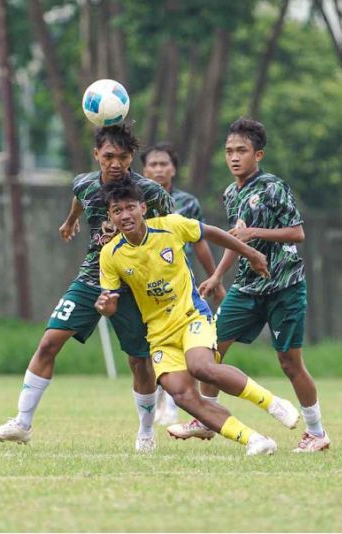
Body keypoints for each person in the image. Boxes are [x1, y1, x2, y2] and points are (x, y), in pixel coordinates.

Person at [0, 123, 174, 453]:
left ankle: (146, 431)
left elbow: (173, 231)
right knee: (48, 343)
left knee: (139, 361)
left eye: (123, 157)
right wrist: (70, 221)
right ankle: (22, 422)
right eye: (108, 156)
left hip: (134, 284)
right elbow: (79, 198)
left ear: (132, 158)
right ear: (96, 154)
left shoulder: (151, 193)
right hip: (92, 277)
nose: (115, 164)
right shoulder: (85, 184)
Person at [95, 175, 301, 456]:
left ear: (143, 208)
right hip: (158, 334)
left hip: (191, 316)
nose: (125, 215)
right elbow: (111, 301)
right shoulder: (110, 254)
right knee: (181, 395)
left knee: (202, 367)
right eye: (117, 211)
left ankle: (273, 404)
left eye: (130, 207)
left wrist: (250, 253)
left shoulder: (170, 226)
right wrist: (106, 307)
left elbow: (211, 233)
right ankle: (254, 440)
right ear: (110, 216)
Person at [168, 118, 330, 453]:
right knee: (210, 349)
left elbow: (297, 233)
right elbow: (235, 240)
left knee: (289, 362)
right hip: (246, 288)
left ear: (259, 154)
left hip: (284, 285)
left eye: (241, 150)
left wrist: (255, 235)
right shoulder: (231, 193)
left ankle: (316, 432)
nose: (234, 157)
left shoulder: (273, 187)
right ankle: (205, 419)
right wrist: (217, 276)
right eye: (229, 151)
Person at [140, 142, 225, 426]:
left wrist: (214, 277)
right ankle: (160, 401)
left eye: (164, 164)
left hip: (178, 286)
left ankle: (175, 402)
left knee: (181, 343)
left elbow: (199, 242)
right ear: (144, 169)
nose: (158, 169)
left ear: (173, 169)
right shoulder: (135, 201)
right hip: (145, 286)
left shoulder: (187, 203)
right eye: (153, 164)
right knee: (150, 346)